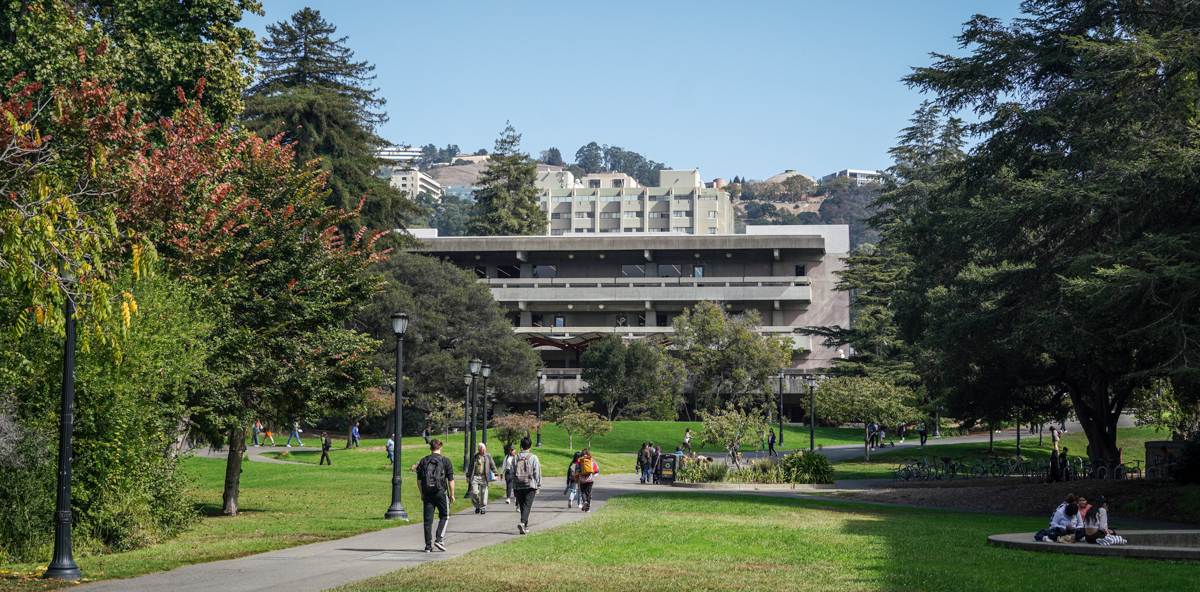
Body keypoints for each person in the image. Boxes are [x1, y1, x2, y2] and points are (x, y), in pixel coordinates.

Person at [415, 438, 455, 553]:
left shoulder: (424, 461)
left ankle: (428, 546)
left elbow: (419, 480)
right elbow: (450, 480)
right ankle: (439, 539)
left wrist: (422, 493)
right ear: (440, 448)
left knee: (428, 521)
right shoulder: (445, 461)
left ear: (430, 448)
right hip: (440, 492)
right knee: (445, 516)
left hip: (427, 493)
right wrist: (452, 494)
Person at [512, 436, 542, 535]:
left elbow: (512, 471)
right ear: (530, 446)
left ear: (521, 446)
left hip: (518, 485)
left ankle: (525, 525)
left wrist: (514, 484)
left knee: (522, 504)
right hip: (530, 485)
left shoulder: (515, 457)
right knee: (527, 505)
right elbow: (537, 473)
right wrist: (538, 486)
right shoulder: (534, 458)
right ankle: (523, 522)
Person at [465, 442, 497, 514]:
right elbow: (470, 467)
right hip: (475, 476)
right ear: (479, 449)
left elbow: (493, 465)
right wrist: (468, 476)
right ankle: (477, 506)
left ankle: (483, 507)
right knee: (474, 492)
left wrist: (496, 474)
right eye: (482, 449)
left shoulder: (488, 456)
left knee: (484, 492)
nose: (484, 451)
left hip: (484, 476)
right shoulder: (475, 457)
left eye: (485, 449)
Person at [575, 448, 600, 512]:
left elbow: (577, 471)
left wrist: (576, 478)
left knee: (583, 491)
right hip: (590, 478)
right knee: (588, 493)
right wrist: (593, 472)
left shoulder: (579, 460)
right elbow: (597, 469)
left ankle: (585, 501)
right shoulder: (591, 459)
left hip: (582, 479)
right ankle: (587, 508)